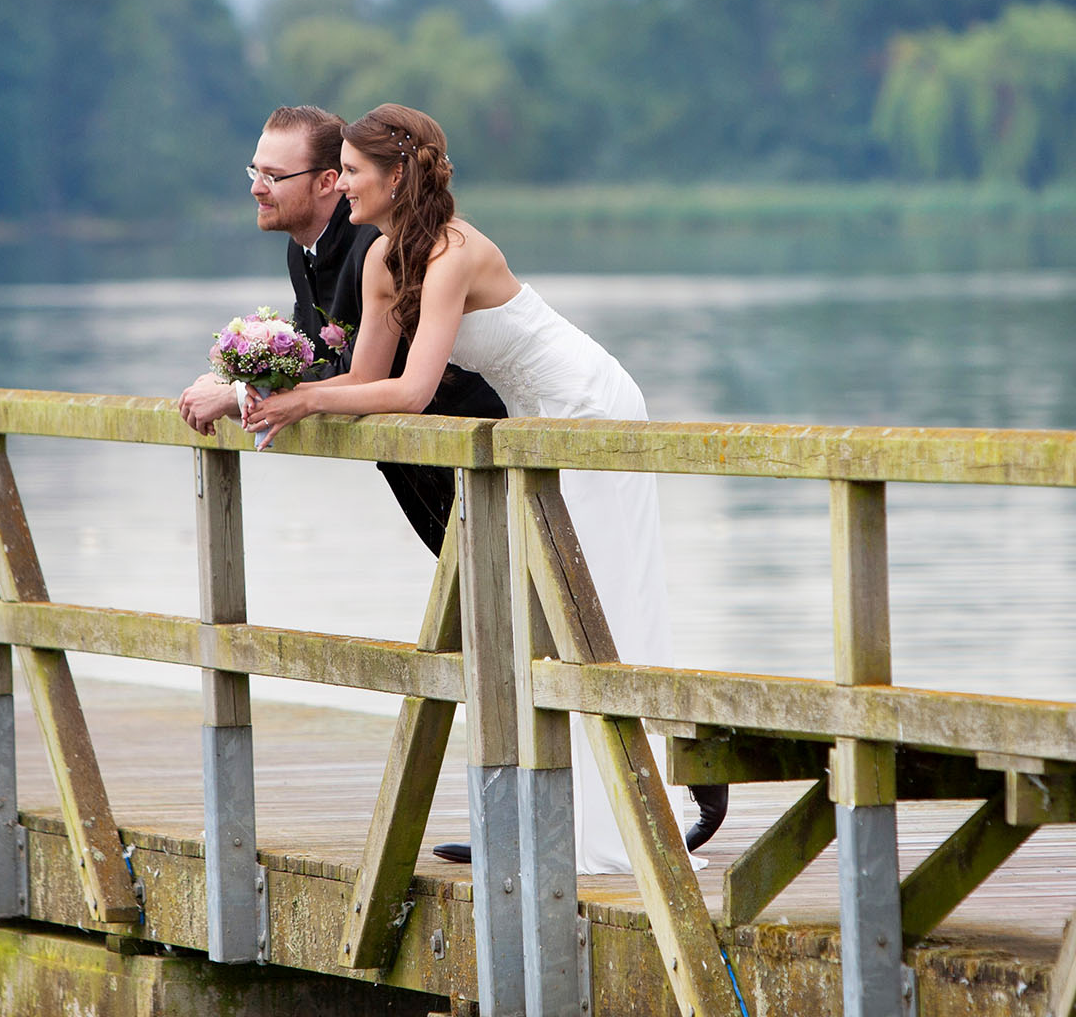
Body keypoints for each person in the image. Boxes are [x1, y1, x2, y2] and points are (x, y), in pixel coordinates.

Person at [240, 103, 725, 873]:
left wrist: (299, 401)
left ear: (395, 176)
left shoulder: (455, 253)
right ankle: (541, 813)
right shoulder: (381, 260)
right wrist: (264, 387)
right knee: (532, 611)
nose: (346, 189)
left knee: (586, 603)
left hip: (587, 406)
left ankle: (653, 790)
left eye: (357, 175)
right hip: (530, 421)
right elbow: (362, 375)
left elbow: (410, 388)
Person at [176, 106, 505, 554]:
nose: (256, 187)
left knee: (513, 590)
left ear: (327, 181)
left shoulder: (375, 242)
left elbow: (365, 371)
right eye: (255, 171)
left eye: (273, 176)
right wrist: (235, 378)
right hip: (412, 451)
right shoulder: (302, 252)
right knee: (479, 595)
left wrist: (237, 398)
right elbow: (311, 352)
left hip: (474, 444)